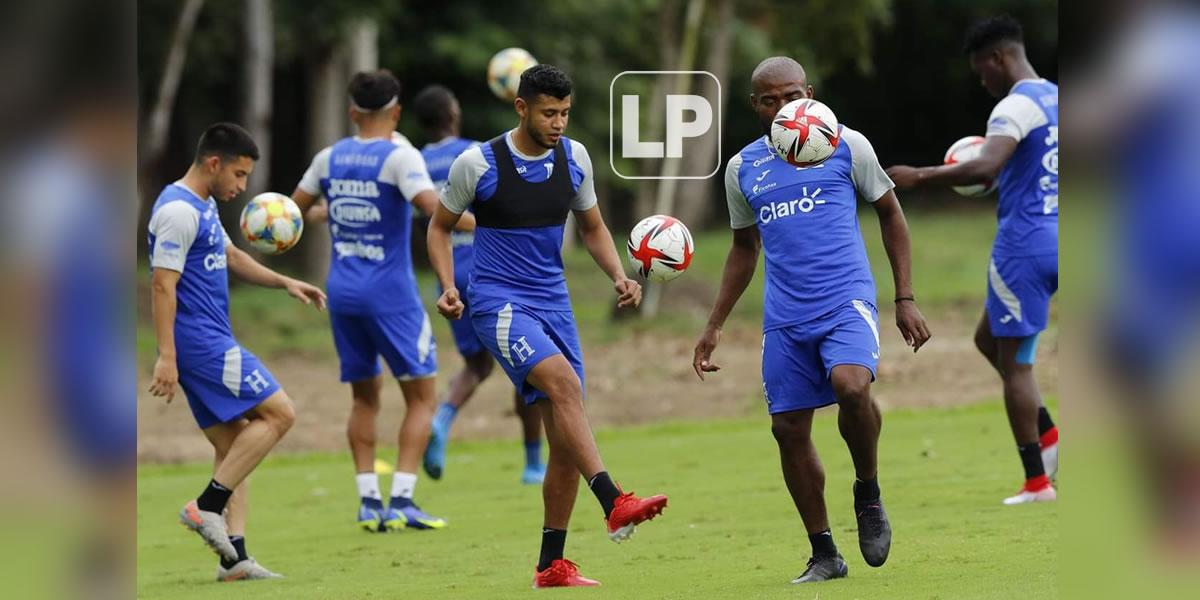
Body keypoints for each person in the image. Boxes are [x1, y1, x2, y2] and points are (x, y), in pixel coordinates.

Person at [427, 64, 668, 588]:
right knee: (564, 384)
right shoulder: (478, 162)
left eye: (564, 113)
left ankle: (551, 565)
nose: (558, 123)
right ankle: (614, 499)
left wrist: (618, 276)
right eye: (548, 113)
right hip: (496, 302)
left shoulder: (574, 157)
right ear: (522, 108)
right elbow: (439, 227)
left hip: (554, 303)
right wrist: (448, 285)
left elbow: (594, 227)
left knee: (565, 436)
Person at [693, 57, 931, 583]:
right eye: (771, 100)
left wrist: (905, 297)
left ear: (811, 92)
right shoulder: (742, 168)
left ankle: (866, 491)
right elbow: (742, 247)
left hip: (846, 300)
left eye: (793, 94)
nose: (784, 106)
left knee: (851, 385)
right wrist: (714, 325)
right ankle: (824, 552)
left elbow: (891, 214)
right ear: (755, 105)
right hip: (785, 317)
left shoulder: (848, 144)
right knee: (787, 429)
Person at [885, 15, 1060, 505]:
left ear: (998, 58)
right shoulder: (1058, 97)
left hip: (1024, 244)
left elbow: (986, 164)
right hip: (1064, 233)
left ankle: (1037, 482)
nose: (982, 81)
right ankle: (1047, 434)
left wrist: (917, 176)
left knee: (1018, 364)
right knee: (989, 339)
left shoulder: (1015, 106)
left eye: (982, 70)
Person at [290, 70, 471, 532]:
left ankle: (369, 502)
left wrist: (328, 212)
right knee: (422, 397)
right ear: (395, 112)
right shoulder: (400, 156)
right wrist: (493, 224)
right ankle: (404, 501)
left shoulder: (328, 158)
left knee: (364, 398)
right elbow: (435, 209)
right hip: (391, 297)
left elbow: (293, 212)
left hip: (343, 293)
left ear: (352, 112)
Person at [148, 122, 327, 580]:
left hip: (208, 339)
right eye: (240, 175)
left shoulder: (203, 204)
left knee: (234, 446)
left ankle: (235, 559)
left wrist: (284, 280)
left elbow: (231, 257)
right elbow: (162, 286)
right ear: (214, 164)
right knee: (280, 413)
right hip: (202, 344)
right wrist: (166, 355)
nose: (243, 186)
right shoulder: (177, 211)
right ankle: (206, 506)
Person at [412, 84, 546, 485]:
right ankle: (533, 463)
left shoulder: (415, 161)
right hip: (493, 267)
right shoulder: (475, 151)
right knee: (531, 366)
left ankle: (442, 418)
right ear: (452, 114)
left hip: (448, 272)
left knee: (477, 364)